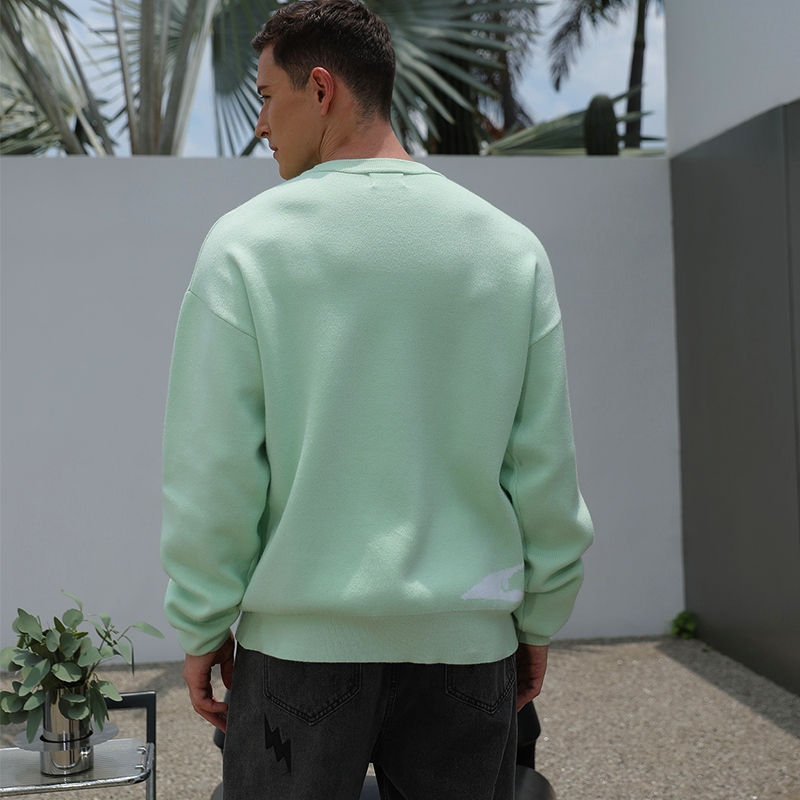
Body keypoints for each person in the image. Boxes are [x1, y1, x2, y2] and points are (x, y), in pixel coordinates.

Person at [160, 2, 593, 798]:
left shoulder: (245, 247)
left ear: (322, 89)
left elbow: (214, 470)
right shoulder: (508, 251)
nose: (260, 124)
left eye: (267, 97)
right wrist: (537, 617)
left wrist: (202, 620)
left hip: (299, 653)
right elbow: (543, 467)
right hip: (467, 647)